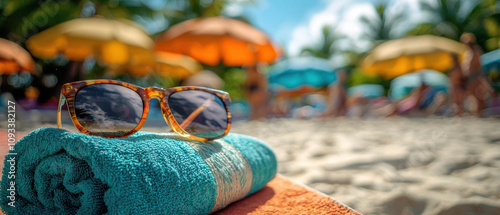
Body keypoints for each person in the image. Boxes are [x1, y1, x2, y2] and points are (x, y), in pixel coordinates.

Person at [460, 33, 494, 116]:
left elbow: (477, 66)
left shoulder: (476, 51)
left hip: (476, 76)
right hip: (471, 77)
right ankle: (478, 113)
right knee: (474, 96)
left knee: (478, 96)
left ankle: (479, 113)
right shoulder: (469, 52)